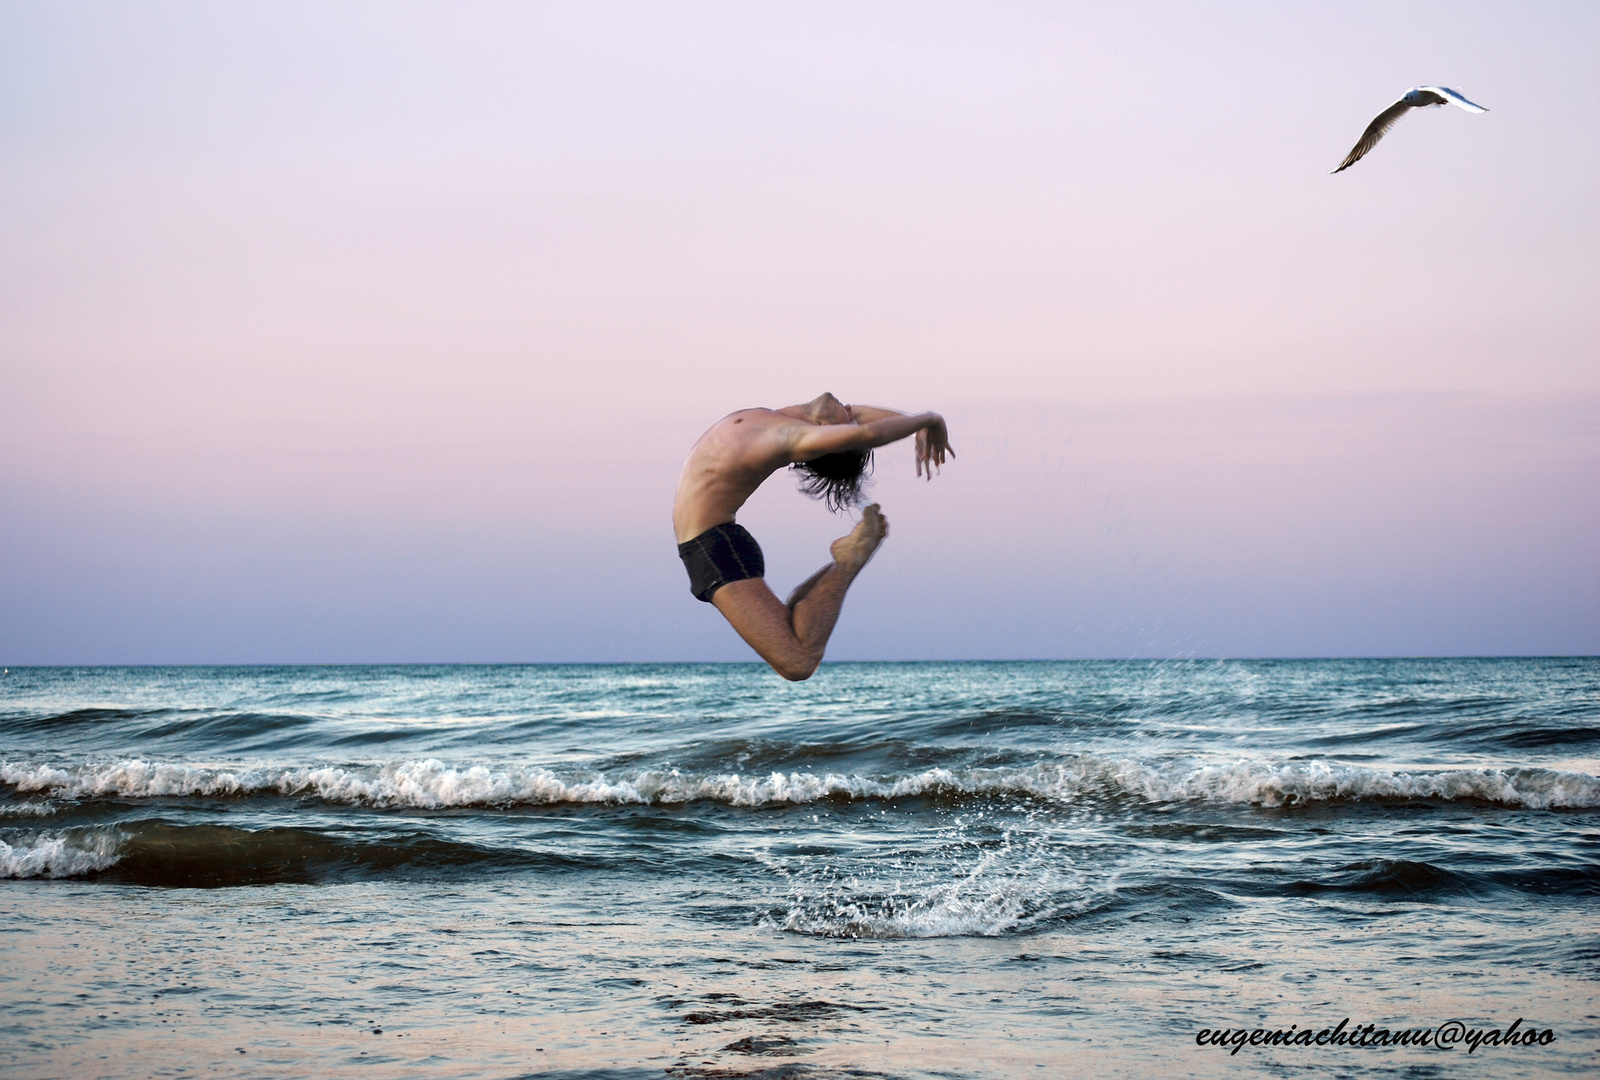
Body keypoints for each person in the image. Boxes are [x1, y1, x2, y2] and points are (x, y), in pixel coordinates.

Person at [673, 393, 953, 680]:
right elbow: (860, 418)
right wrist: (914, 425)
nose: (849, 409)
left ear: (826, 433)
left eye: (847, 424)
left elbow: (866, 432)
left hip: (714, 546)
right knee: (795, 616)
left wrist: (931, 418)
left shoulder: (789, 435)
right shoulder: (788, 417)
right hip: (711, 544)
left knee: (799, 662)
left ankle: (849, 562)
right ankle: (842, 563)